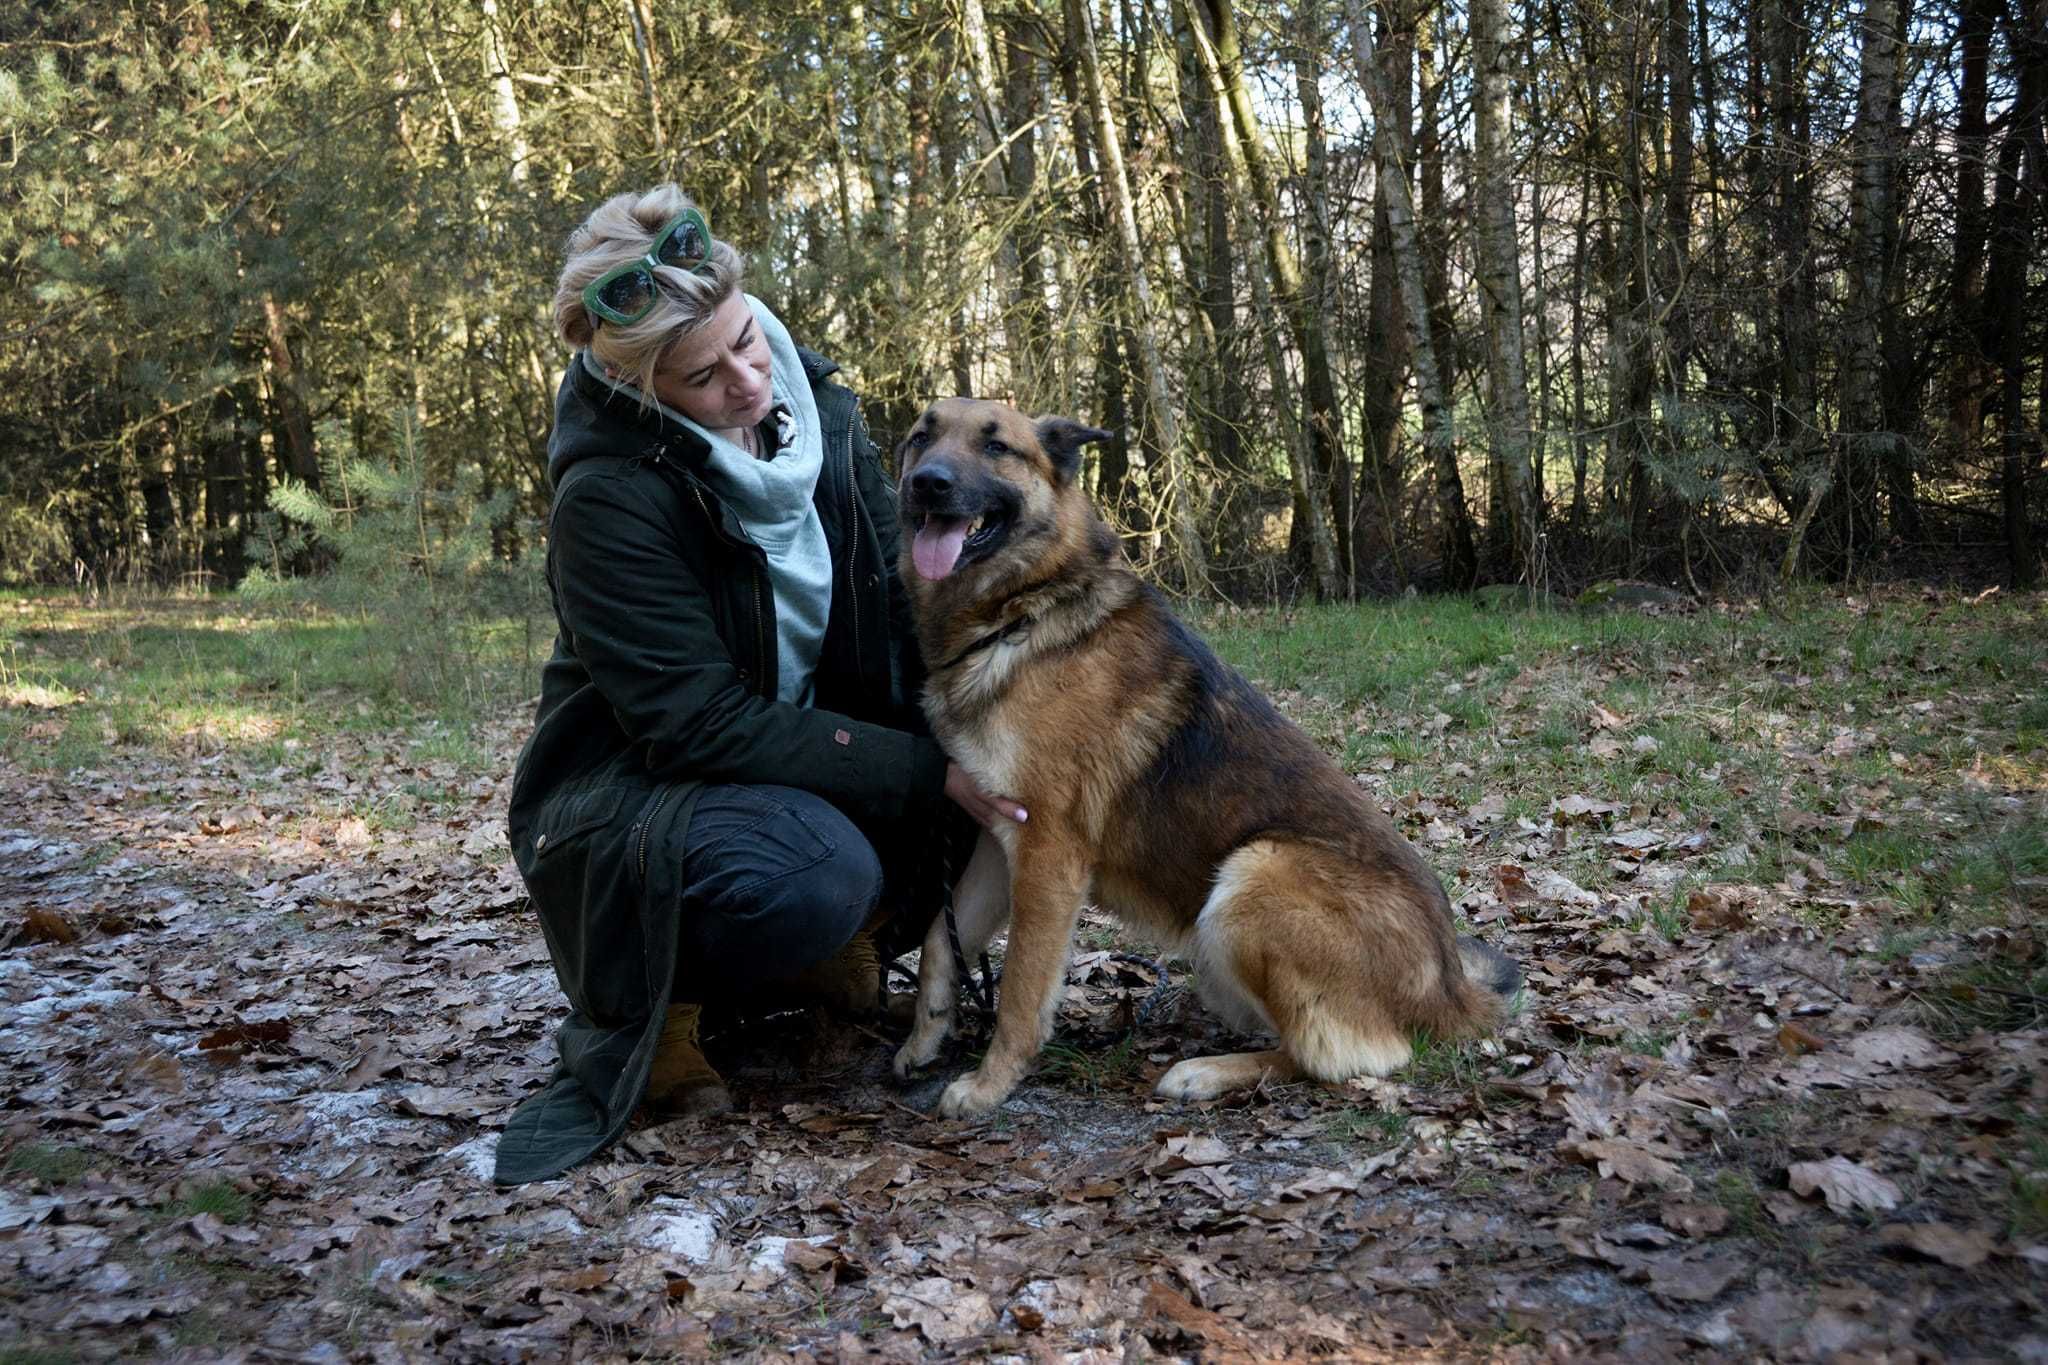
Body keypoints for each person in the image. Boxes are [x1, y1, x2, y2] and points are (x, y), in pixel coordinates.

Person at [493, 185, 1024, 1186]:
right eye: (703, 374)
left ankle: (826, 947)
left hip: (792, 751)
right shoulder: (608, 497)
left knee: (991, 755)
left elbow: (897, 591)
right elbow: (688, 723)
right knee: (815, 872)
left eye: (747, 342)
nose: (748, 382)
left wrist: (1010, 701)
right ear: (643, 389)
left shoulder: (814, 406)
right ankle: (666, 1013)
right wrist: (918, 772)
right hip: (637, 792)